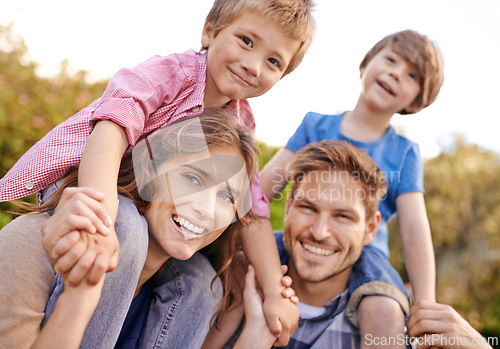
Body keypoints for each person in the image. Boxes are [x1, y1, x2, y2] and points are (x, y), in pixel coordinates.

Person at [0, 0, 315, 346]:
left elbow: (251, 205)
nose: (254, 66)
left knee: (199, 282)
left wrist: (274, 291)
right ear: (210, 30)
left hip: (144, 205)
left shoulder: (240, 123)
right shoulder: (171, 73)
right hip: (86, 182)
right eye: (246, 41)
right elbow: (110, 131)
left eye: (273, 61)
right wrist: (100, 220)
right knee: (127, 228)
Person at [0, 111, 281, 348]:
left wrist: (259, 333)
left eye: (226, 197)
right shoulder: (29, 244)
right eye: (193, 178)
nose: (206, 210)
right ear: (149, 169)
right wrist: (79, 298)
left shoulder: (188, 299)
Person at [261, 29, 444, 343]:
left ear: (417, 100)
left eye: (411, 75)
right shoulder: (315, 125)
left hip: (365, 255)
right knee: (237, 263)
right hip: (298, 241)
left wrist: (425, 303)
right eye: (390, 60)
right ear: (366, 64)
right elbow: (262, 190)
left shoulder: (404, 153)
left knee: (384, 310)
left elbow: (414, 231)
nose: (395, 74)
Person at [223, 139, 403, 348]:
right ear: (289, 206)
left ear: (370, 229)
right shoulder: (232, 275)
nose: (319, 232)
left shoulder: (384, 322)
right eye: (308, 208)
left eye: (343, 216)